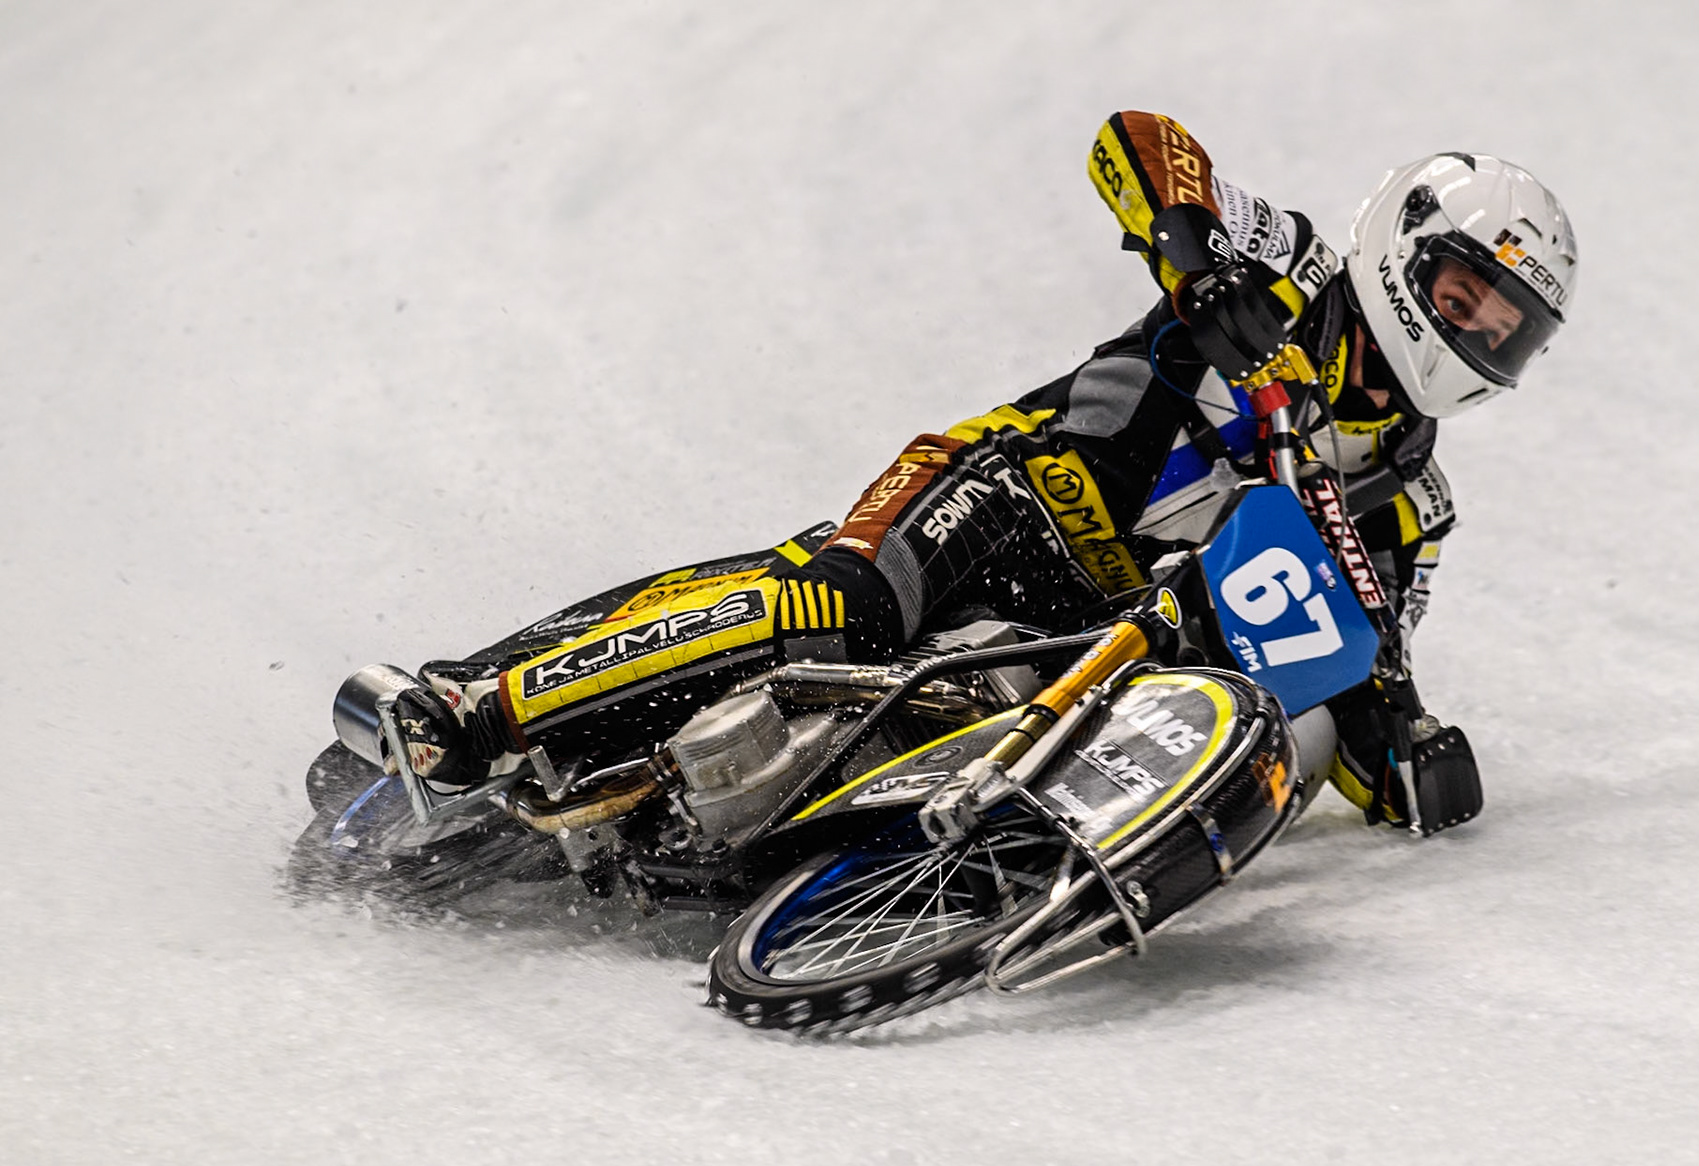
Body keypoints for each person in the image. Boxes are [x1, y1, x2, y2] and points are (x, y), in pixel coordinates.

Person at [390, 111, 1577, 834]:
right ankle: (475, 708)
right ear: (1406, 250)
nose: (1473, 333)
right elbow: (1143, 141)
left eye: (1504, 328)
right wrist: (1189, 255)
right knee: (842, 606)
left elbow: (1353, 655)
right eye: (1463, 293)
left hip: (1096, 642)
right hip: (1015, 491)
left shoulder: (1414, 504)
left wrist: (1407, 759)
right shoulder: (1302, 265)